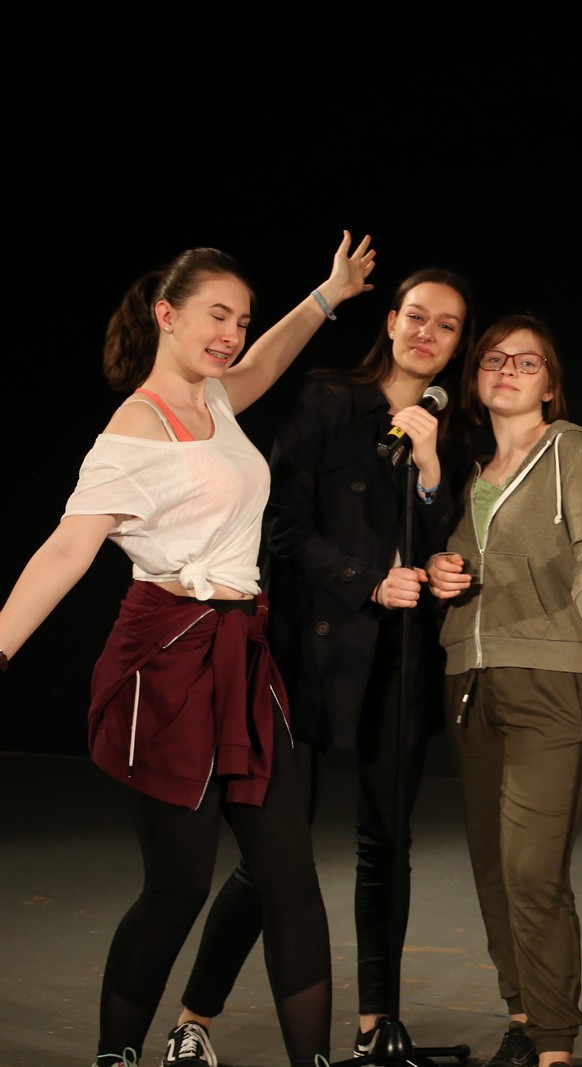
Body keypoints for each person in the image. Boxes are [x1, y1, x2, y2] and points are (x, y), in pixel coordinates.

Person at [0, 234, 376, 1067]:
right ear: (166, 315)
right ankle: (116, 1055)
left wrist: (326, 295)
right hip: (168, 658)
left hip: (241, 652)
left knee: (289, 877)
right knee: (177, 887)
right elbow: (66, 551)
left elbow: (266, 361)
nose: (232, 334)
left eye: (240, 319)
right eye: (217, 315)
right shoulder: (132, 431)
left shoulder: (216, 399)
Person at [163, 267, 472, 1063]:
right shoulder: (330, 398)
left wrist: (433, 486)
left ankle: (376, 1028)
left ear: (457, 344)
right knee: (275, 852)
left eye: (446, 325)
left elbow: (450, 537)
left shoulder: (452, 430)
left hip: (399, 656)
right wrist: (367, 579)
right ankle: (194, 1019)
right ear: (391, 321)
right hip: (307, 651)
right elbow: (285, 528)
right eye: (416, 316)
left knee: (387, 843)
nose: (427, 334)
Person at [427, 313, 582, 1067]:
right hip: (469, 681)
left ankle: (554, 1042)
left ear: (550, 384)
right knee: (492, 866)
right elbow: (457, 560)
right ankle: (521, 1015)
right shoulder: (468, 471)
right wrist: (440, 572)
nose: (507, 369)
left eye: (527, 361)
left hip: (551, 678)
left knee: (532, 869)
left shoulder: (570, 448)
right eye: (494, 359)